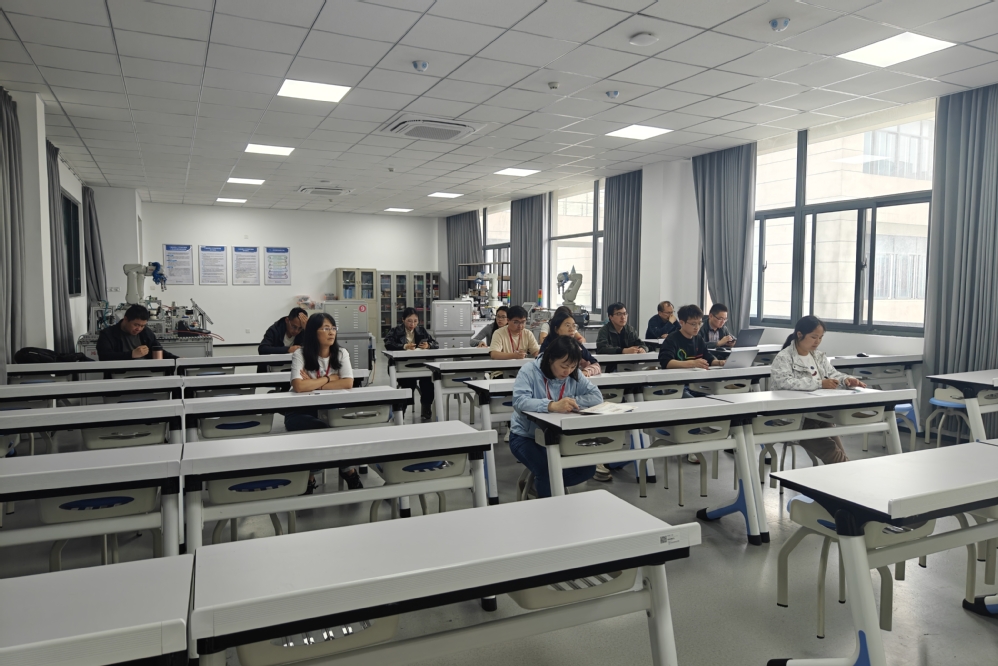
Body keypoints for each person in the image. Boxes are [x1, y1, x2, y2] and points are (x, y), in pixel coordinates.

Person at [509, 336, 604, 498]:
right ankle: (547, 497)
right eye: (563, 366)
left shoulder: (573, 374)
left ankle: (539, 484)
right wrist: (552, 405)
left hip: (559, 437)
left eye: (573, 366)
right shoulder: (529, 371)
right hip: (526, 437)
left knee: (587, 469)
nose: (567, 371)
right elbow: (519, 402)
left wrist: (570, 401)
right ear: (550, 359)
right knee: (547, 470)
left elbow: (596, 397)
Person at [770, 316, 866, 465]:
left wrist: (846, 380)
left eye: (820, 338)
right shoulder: (784, 357)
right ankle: (848, 474)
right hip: (795, 418)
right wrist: (819, 383)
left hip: (817, 413)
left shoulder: (818, 356)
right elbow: (784, 382)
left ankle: (846, 473)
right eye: (814, 337)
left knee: (837, 451)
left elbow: (833, 374)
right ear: (800, 334)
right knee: (832, 452)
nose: (817, 341)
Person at [288, 312, 362, 492]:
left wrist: (313, 384)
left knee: (336, 426)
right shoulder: (300, 354)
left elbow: (347, 382)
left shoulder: (341, 353)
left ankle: (313, 476)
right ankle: (347, 471)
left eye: (333, 328)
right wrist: (329, 379)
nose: (331, 332)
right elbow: (298, 386)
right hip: (301, 411)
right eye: (326, 328)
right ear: (314, 332)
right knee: (322, 430)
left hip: (331, 408)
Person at [384, 307, 438, 422]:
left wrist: (428, 346)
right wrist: (404, 346)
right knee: (409, 383)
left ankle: (426, 407)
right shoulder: (395, 330)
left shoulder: (421, 330)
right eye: (409, 321)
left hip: (420, 365)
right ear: (403, 320)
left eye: (415, 321)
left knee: (428, 382)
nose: (412, 324)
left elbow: (435, 343)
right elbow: (388, 344)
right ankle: (401, 411)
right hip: (402, 367)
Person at [96, 304, 176, 360]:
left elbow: (158, 350)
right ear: (126, 319)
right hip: (120, 375)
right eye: (136, 325)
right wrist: (132, 354)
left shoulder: (146, 332)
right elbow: (104, 357)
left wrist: (177, 359)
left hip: (147, 373)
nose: (139, 329)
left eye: (142, 325)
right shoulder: (108, 334)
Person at [658, 304, 725, 369]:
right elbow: (666, 362)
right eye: (693, 324)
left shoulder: (698, 339)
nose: (697, 327)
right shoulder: (672, 339)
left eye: (699, 323)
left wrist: (719, 362)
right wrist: (692, 363)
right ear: (681, 323)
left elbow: (709, 358)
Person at [538, 309, 601, 377]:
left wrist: (586, 371)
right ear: (556, 329)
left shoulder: (577, 346)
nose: (571, 329)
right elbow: (541, 366)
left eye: (574, 326)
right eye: (567, 325)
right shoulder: (548, 346)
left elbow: (596, 365)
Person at [257, 307, 307, 374]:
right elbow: (262, 349)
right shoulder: (274, 329)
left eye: (300, 328)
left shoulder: (304, 331)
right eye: (294, 327)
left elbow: (314, 349)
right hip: (272, 368)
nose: (296, 331)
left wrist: (308, 329)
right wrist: (288, 349)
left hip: (294, 368)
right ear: (287, 320)